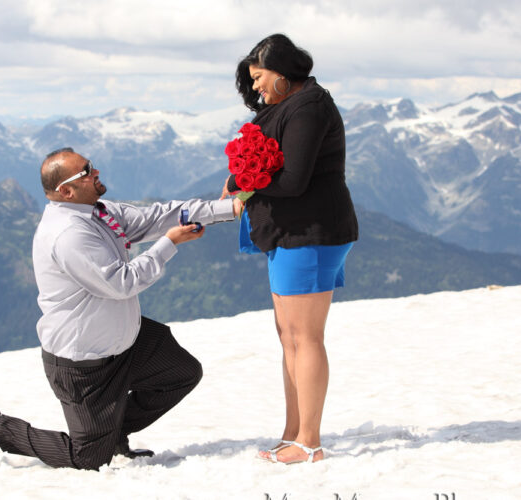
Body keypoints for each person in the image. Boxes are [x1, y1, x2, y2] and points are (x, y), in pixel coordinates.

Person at [0, 147, 242, 470]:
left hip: (127, 342)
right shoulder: (68, 235)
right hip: (84, 364)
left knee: (182, 373)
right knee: (86, 457)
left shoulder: (97, 211)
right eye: (86, 171)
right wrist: (169, 244)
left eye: (91, 166)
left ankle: (112, 433)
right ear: (66, 191)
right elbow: (121, 283)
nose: (95, 172)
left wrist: (230, 207)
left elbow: (158, 215)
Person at [221, 34, 359, 464]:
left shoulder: (310, 106)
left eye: (260, 78)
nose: (257, 88)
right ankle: (294, 431)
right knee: (289, 337)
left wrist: (247, 184)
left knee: (305, 336)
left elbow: (294, 179)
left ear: (281, 70)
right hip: (291, 233)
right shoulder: (287, 105)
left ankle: (309, 442)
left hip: (312, 232)